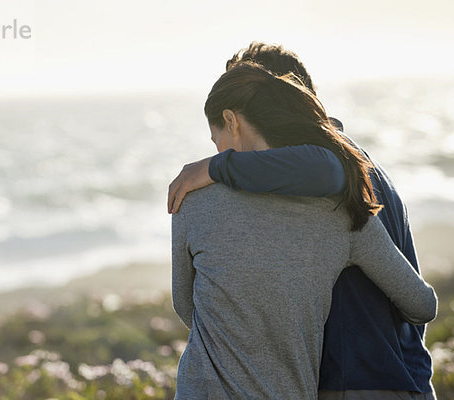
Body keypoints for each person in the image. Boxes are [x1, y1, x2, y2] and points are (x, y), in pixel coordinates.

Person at [168, 42, 436, 400]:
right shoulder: (354, 169)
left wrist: (216, 167)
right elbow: (420, 304)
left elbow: (190, 309)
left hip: (356, 380)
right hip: (402, 375)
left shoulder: (334, 174)